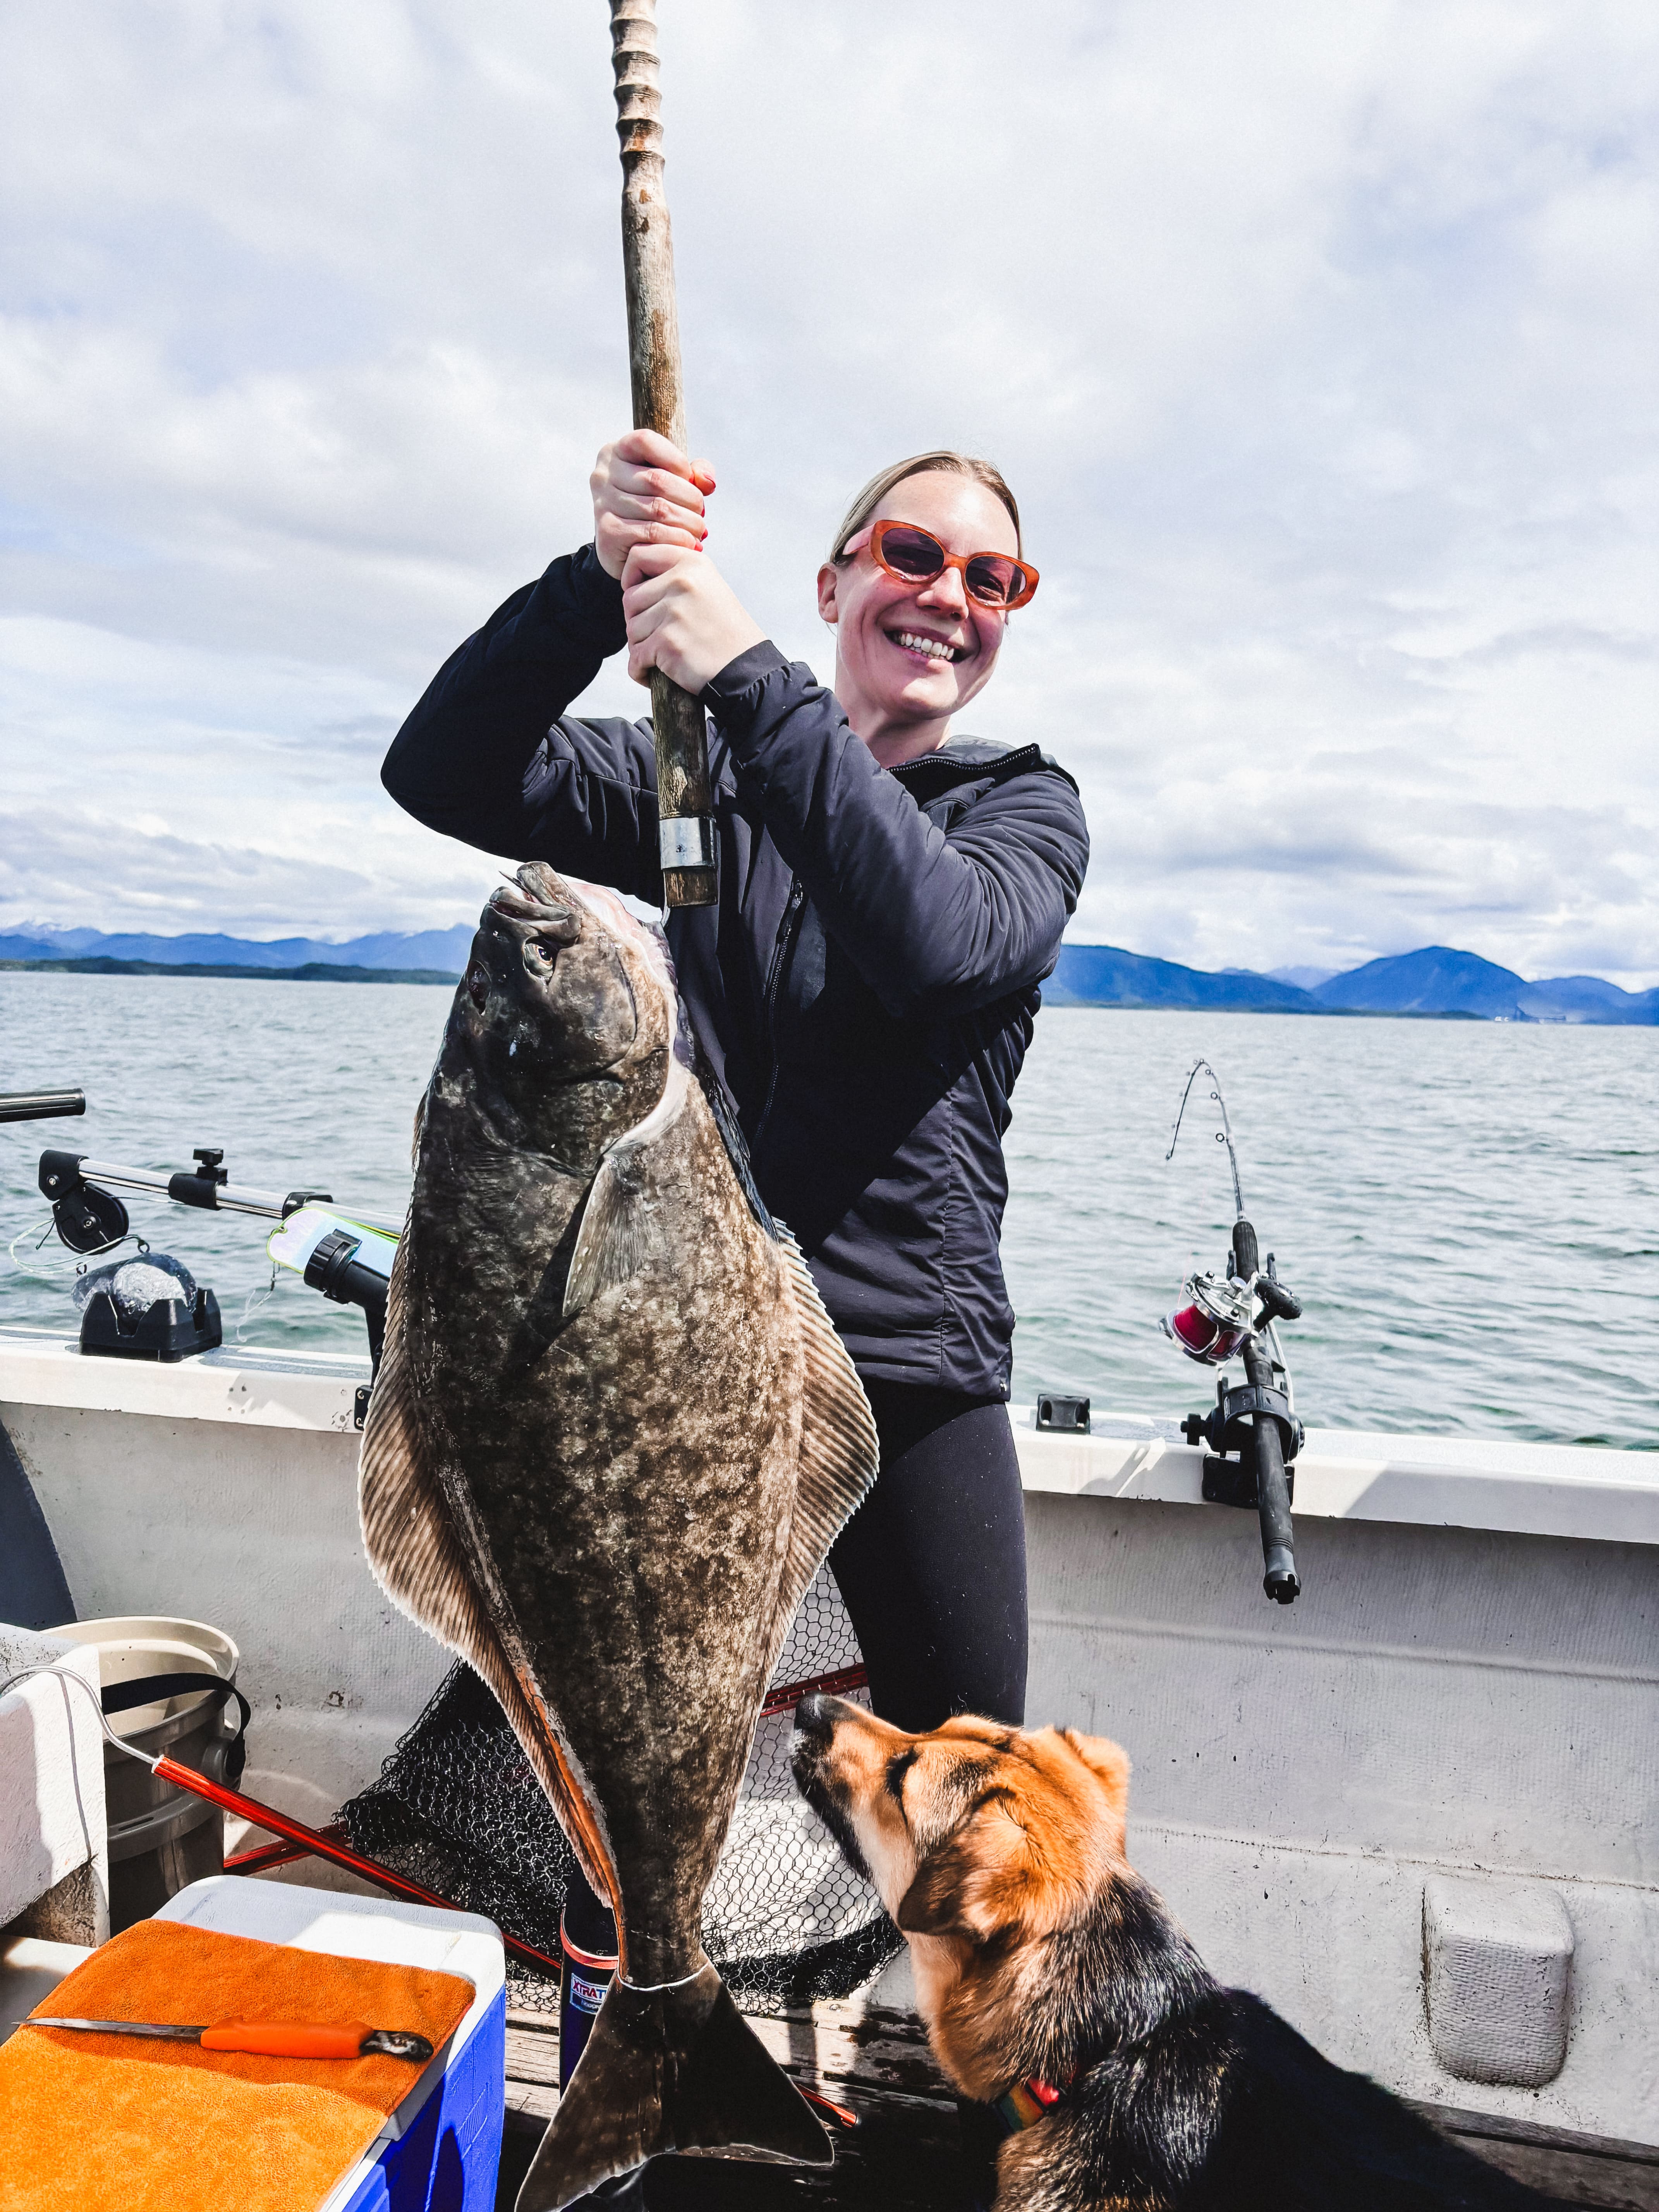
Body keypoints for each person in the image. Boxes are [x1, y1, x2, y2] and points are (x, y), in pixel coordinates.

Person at [381, 429, 1088, 2203]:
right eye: (912, 557)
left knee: (969, 1810)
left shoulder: (1020, 814)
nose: (947, 598)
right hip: (673, 1367)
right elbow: (444, 767)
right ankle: (644, 2093)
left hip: (902, 1377)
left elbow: (929, 943)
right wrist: (593, 586)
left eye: (988, 578)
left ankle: (997, 2134)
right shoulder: (693, 785)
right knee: (616, 1760)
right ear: (844, 573)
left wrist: (750, 676)